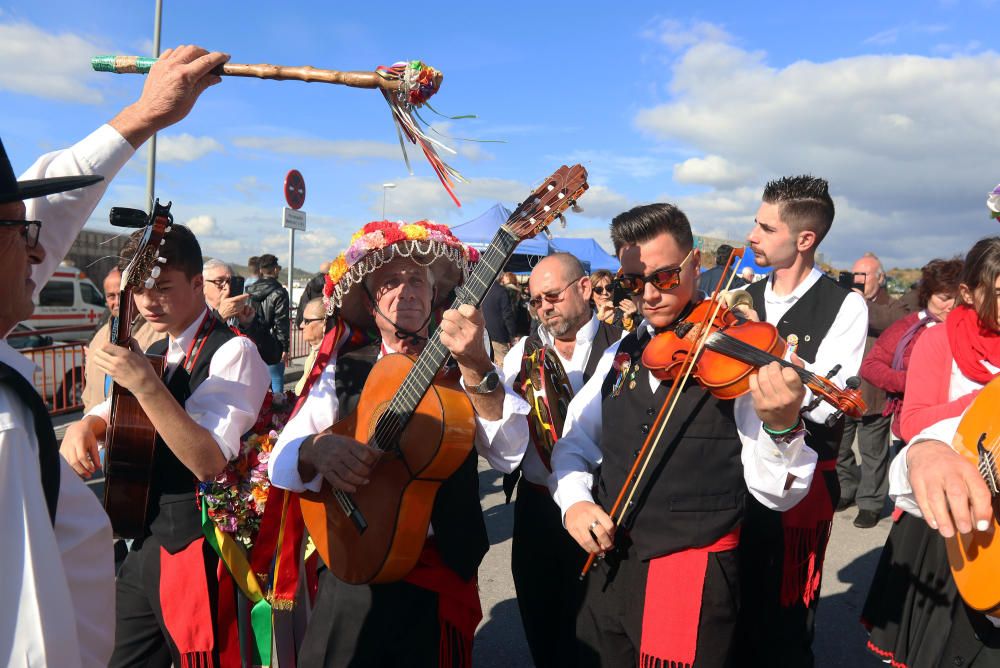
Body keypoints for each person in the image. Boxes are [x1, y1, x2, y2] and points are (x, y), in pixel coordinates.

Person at [1, 43, 228, 668]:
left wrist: (143, 115)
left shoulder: (227, 353)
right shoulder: (1, 421)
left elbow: (49, 210)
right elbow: (26, 632)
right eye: (24, 237)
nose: (40, 253)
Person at [551, 203, 818, 668]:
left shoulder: (741, 355)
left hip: (690, 575)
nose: (650, 295)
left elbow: (775, 493)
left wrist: (781, 425)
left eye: (667, 277)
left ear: (695, 263)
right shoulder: (622, 351)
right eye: (634, 283)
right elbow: (575, 442)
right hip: (611, 571)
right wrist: (574, 500)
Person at [267, 219, 529, 668]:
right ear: (371, 305)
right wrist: (316, 449)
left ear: (434, 297)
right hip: (351, 563)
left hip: (435, 573)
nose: (404, 291)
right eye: (389, 282)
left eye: (416, 281)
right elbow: (281, 460)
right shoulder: (344, 368)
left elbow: (508, 453)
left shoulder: (467, 363)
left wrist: (477, 367)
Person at [61, 223, 269, 667]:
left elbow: (208, 459)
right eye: (139, 290)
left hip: (196, 545)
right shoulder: (165, 341)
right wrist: (89, 424)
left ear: (199, 285)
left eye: (163, 289)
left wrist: (143, 383)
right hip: (147, 535)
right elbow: (133, 411)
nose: (147, 303)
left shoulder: (235, 352)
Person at [739, 175, 868, 666]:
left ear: (804, 239)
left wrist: (772, 374)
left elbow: (823, 404)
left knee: (785, 622)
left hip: (799, 476)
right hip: (732, 476)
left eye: (766, 228)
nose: (752, 235)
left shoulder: (844, 305)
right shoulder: (742, 297)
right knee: (732, 611)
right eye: (756, 222)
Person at [862, 237, 1000, 667]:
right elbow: (915, 423)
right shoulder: (940, 341)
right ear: (969, 293)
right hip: (947, 522)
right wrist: (988, 401)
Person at [494, 253, 623, 668]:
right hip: (537, 510)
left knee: (597, 630)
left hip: (602, 507)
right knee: (542, 620)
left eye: (552, 295)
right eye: (535, 301)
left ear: (584, 288)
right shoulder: (520, 355)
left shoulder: (623, 348)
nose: (544, 307)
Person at [836, 252, 911, 528]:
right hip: (843, 391)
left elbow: (888, 323)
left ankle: (870, 502)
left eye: (863, 276)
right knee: (840, 448)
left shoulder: (894, 307)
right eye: (855, 275)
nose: (858, 280)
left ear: (879, 279)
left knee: (872, 454)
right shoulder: (843, 302)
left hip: (874, 394)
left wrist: (859, 302)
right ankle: (846, 489)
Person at [859, 258, 962, 447]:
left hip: (962, 427)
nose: (951, 305)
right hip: (914, 428)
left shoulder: (970, 328)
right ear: (927, 295)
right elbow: (870, 366)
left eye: (958, 298)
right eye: (944, 298)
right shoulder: (907, 327)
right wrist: (910, 381)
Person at [82, 267, 164, 412]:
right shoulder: (99, 337)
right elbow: (89, 390)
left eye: (122, 294)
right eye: (111, 296)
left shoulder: (160, 334)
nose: (118, 301)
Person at [202, 257, 283, 365]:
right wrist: (220, 317)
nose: (227, 288)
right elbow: (195, 353)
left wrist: (249, 326)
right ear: (202, 285)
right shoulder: (194, 314)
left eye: (230, 282)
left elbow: (273, 356)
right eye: (219, 282)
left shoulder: (242, 313)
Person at [246, 253, 291, 399]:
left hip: (251, 339)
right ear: (275, 270)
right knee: (276, 379)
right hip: (271, 342)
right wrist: (284, 347)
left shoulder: (250, 290)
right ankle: (276, 418)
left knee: (254, 384)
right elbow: (281, 322)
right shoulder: (280, 292)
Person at [294, 296, 327, 396]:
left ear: (325, 324)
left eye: (307, 321)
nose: (301, 325)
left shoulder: (333, 360)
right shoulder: (313, 354)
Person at [482, 275, 517, 364]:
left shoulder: (482, 290)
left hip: (485, 334)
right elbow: (507, 315)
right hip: (499, 336)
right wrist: (513, 334)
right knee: (504, 367)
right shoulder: (501, 291)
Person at [295, 261, 331, 328]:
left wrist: (300, 322)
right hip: (330, 323)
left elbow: (304, 303)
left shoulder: (311, 285)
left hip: (313, 323)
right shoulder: (335, 283)